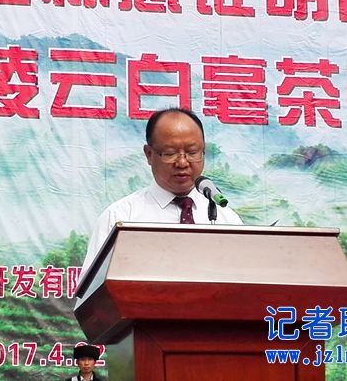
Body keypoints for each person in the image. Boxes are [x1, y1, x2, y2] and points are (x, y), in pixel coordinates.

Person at [82, 107, 243, 272]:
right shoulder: (120, 218)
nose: (182, 163)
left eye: (192, 152)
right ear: (149, 154)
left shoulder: (226, 220)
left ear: (204, 152)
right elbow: (93, 286)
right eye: (170, 153)